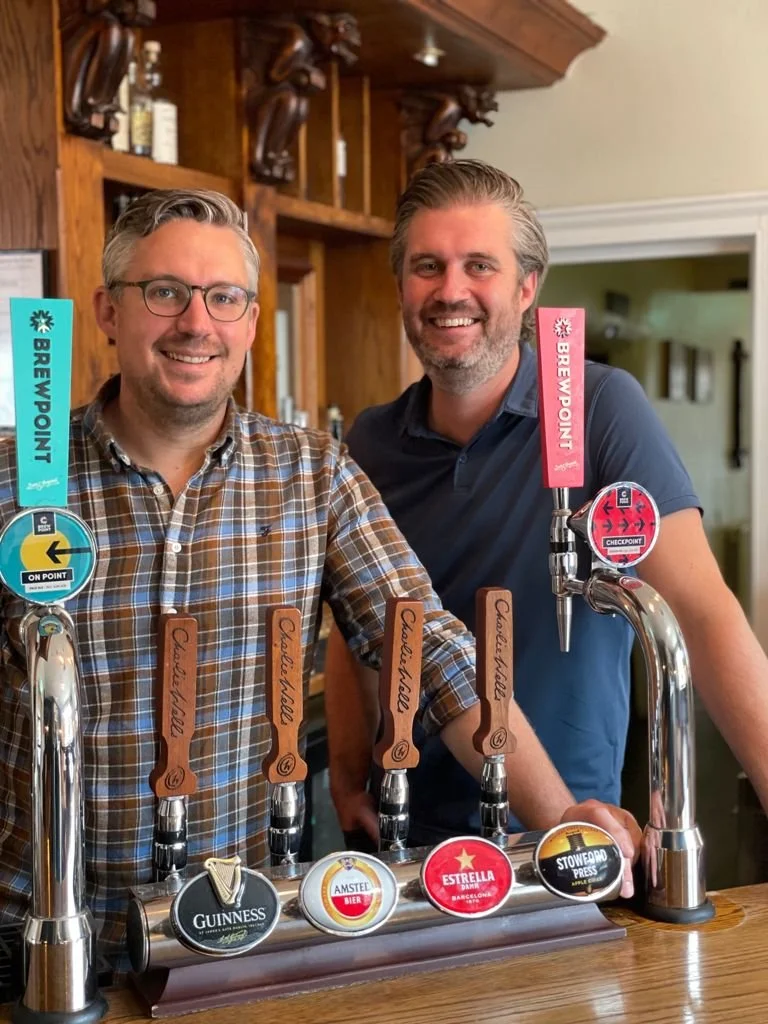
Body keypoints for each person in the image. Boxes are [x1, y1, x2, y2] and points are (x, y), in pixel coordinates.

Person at [0, 188, 639, 963]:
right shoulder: (15, 483)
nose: (196, 323)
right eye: (164, 292)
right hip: (29, 938)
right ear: (108, 311)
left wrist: (562, 820)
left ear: (250, 321)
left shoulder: (312, 475)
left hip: (230, 932)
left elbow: (430, 653)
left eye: (224, 298)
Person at [325, 158, 768, 851]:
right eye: (427, 266)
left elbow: (701, 611)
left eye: (479, 265)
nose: (450, 290)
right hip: (408, 833)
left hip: (571, 828)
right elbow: (356, 631)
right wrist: (349, 772)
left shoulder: (600, 409)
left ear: (528, 286)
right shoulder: (371, 442)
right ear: (401, 285)